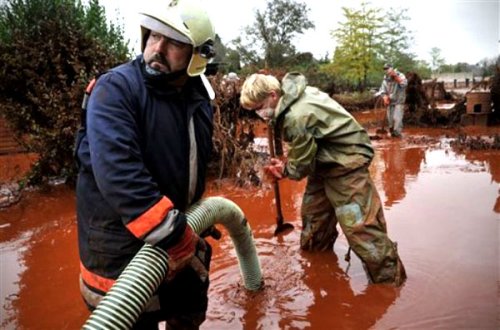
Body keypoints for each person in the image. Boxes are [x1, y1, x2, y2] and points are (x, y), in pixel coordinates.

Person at [74, 0, 217, 328]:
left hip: (179, 242)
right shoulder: (115, 90)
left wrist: (191, 226)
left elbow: (192, 169)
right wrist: (176, 236)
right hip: (120, 261)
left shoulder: (197, 100)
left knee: (190, 313)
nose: (158, 48)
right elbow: (119, 175)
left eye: (175, 42)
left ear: (197, 56)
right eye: (154, 36)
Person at [240, 72, 406, 286]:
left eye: (258, 107)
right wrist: (288, 163)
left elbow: (300, 167)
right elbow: (304, 151)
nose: (259, 114)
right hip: (323, 160)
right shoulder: (292, 97)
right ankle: (319, 270)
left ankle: (390, 284)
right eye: (254, 111)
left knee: (361, 229)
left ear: (273, 95)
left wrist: (285, 170)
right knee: (314, 222)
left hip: (347, 163)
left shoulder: (296, 117)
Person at [378, 63, 408, 138]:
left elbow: (404, 84)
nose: (386, 70)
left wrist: (395, 76)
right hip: (390, 102)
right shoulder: (385, 79)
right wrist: (385, 98)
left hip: (399, 101)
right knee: (390, 121)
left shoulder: (400, 75)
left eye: (387, 68)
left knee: (397, 119)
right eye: (385, 69)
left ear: (392, 68)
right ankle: (392, 133)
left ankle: (397, 135)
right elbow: (382, 90)